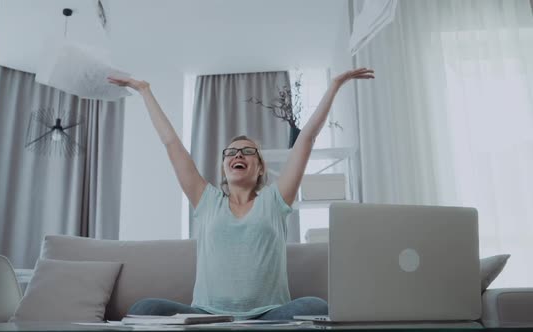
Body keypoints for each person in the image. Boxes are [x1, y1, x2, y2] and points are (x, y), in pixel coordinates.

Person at [107, 67, 374, 320]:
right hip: (209, 317)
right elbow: (171, 143)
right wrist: (144, 90)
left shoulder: (274, 200)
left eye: (248, 152)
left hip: (268, 317)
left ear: (259, 168)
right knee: (145, 308)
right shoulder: (206, 199)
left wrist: (335, 85)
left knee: (315, 306)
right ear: (224, 167)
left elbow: (306, 139)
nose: (238, 154)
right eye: (231, 152)